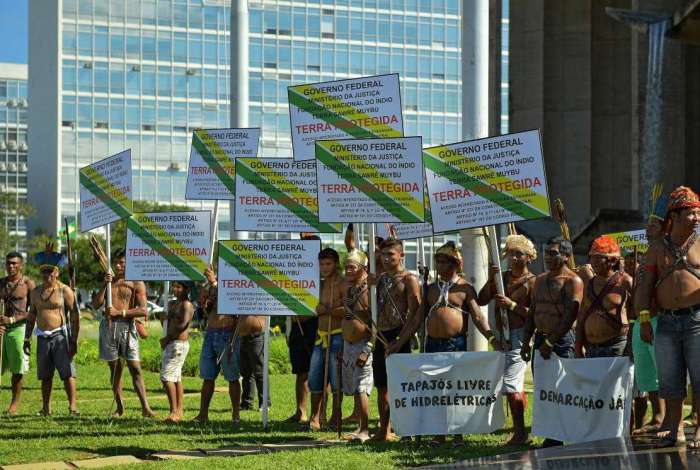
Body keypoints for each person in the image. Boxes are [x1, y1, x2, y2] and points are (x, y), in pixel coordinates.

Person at [388, 241, 499, 445]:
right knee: (435, 391)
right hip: (432, 345)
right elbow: (416, 320)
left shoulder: (465, 288)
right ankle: (439, 435)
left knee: (455, 391)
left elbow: (478, 317)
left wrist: (492, 338)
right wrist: (398, 342)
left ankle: (457, 435)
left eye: (444, 262)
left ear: (455, 264)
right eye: (437, 261)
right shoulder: (429, 289)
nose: (439, 266)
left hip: (454, 345)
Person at [635, 186, 700, 448]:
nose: (696, 218)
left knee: (699, 377)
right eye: (691, 214)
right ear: (674, 216)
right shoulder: (655, 249)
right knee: (670, 379)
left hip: (697, 320)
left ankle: (698, 430)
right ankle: (675, 430)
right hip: (666, 323)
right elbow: (644, 287)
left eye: (698, 213)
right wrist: (643, 319)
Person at [521, 236, 583, 447]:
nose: (548, 257)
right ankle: (552, 434)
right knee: (544, 389)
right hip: (540, 338)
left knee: (563, 390)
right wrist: (525, 341)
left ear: (566, 256)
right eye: (546, 253)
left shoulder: (573, 281)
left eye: (553, 253)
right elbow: (533, 313)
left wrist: (551, 342)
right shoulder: (539, 280)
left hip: (562, 341)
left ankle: (563, 434)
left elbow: (570, 315)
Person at [477, 235, 537, 446]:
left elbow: (536, 315)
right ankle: (518, 430)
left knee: (511, 384)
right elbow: (481, 299)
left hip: (520, 336)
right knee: (513, 384)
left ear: (528, 257)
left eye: (518, 254)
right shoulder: (501, 278)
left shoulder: (533, 282)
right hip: (501, 335)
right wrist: (492, 279)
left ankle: (521, 433)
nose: (513, 257)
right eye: (510, 253)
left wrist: (512, 305)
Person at [92, 249, 154, 418]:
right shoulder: (108, 281)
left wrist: (121, 313)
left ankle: (146, 408)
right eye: (116, 262)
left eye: (122, 262)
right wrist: (105, 284)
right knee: (115, 370)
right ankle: (119, 407)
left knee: (135, 368)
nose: (118, 266)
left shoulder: (136, 282)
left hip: (127, 326)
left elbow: (143, 310)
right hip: (109, 327)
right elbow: (95, 304)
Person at [372, 238, 420, 441]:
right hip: (381, 335)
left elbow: (415, 312)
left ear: (401, 255)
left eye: (390, 254)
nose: (386, 258)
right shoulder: (379, 279)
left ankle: (406, 429)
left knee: (400, 385)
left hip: (400, 335)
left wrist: (400, 340)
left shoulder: (409, 279)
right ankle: (385, 429)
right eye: (383, 254)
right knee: (382, 386)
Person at [24, 248, 79, 416]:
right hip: (42, 337)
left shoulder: (65, 291)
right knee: (45, 375)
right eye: (44, 271)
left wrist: (73, 341)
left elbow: (75, 317)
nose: (46, 274)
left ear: (57, 272)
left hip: (61, 336)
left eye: (50, 271)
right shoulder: (35, 292)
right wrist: (26, 338)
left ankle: (73, 406)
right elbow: (31, 316)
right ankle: (46, 408)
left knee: (67, 373)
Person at [631, 192, 668, 433]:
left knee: (664, 372)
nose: (648, 228)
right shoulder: (647, 253)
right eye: (647, 224)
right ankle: (656, 418)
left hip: (658, 320)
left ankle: (666, 418)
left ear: (665, 228)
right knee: (647, 374)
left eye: (653, 224)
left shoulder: (666, 252)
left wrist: (647, 319)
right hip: (641, 320)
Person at [193, 266, 241, 425]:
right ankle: (203, 414)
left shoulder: (234, 284)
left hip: (227, 334)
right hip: (211, 332)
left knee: (232, 377)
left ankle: (235, 415)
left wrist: (213, 283)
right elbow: (207, 311)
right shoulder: (212, 287)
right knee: (207, 377)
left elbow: (230, 301)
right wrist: (205, 303)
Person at [575, 236, 633, 358]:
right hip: (591, 348)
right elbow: (581, 317)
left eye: (598, 257)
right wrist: (578, 347)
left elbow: (633, 317)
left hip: (616, 348)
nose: (593, 261)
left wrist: (630, 346)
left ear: (611, 260)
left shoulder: (625, 281)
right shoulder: (588, 284)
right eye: (592, 257)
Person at [307, 248, 345, 431]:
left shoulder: (343, 283)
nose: (324, 267)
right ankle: (315, 417)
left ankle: (335, 417)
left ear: (336, 263)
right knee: (315, 378)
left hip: (337, 334)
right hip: (320, 336)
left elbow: (350, 309)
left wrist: (328, 309)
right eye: (321, 264)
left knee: (336, 380)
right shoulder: (318, 284)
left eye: (328, 263)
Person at [285, 235, 321, 424]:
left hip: (316, 327)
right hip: (296, 328)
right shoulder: (293, 272)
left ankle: (319, 414)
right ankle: (301, 412)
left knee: (318, 372)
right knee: (301, 371)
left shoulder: (323, 275)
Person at [340, 249, 373, 442]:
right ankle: (360, 424)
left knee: (362, 386)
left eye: (352, 267)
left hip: (364, 345)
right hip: (349, 344)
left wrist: (368, 348)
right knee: (354, 384)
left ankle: (365, 430)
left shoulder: (371, 289)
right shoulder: (351, 288)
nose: (348, 271)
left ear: (363, 268)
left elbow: (378, 323)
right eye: (346, 268)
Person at [0, 252, 35, 415]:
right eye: (8, 263)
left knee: (17, 369)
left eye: (14, 263)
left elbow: (34, 311)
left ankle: (14, 403)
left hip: (19, 329)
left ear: (21, 265)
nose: (11, 266)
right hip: (1, 329)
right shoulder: (1, 283)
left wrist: (12, 320)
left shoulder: (27, 283)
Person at [160, 280, 194, 422]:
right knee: (176, 378)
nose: (175, 289)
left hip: (178, 344)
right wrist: (163, 320)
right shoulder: (172, 304)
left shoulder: (186, 305)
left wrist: (168, 338)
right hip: (171, 342)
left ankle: (174, 411)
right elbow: (169, 324)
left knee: (166, 377)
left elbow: (182, 324)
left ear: (186, 289)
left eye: (179, 287)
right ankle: (178, 410)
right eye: (174, 286)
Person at [239, 315, 266, 410]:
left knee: (259, 372)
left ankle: (265, 403)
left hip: (256, 336)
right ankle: (247, 403)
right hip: (242, 337)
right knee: (246, 373)